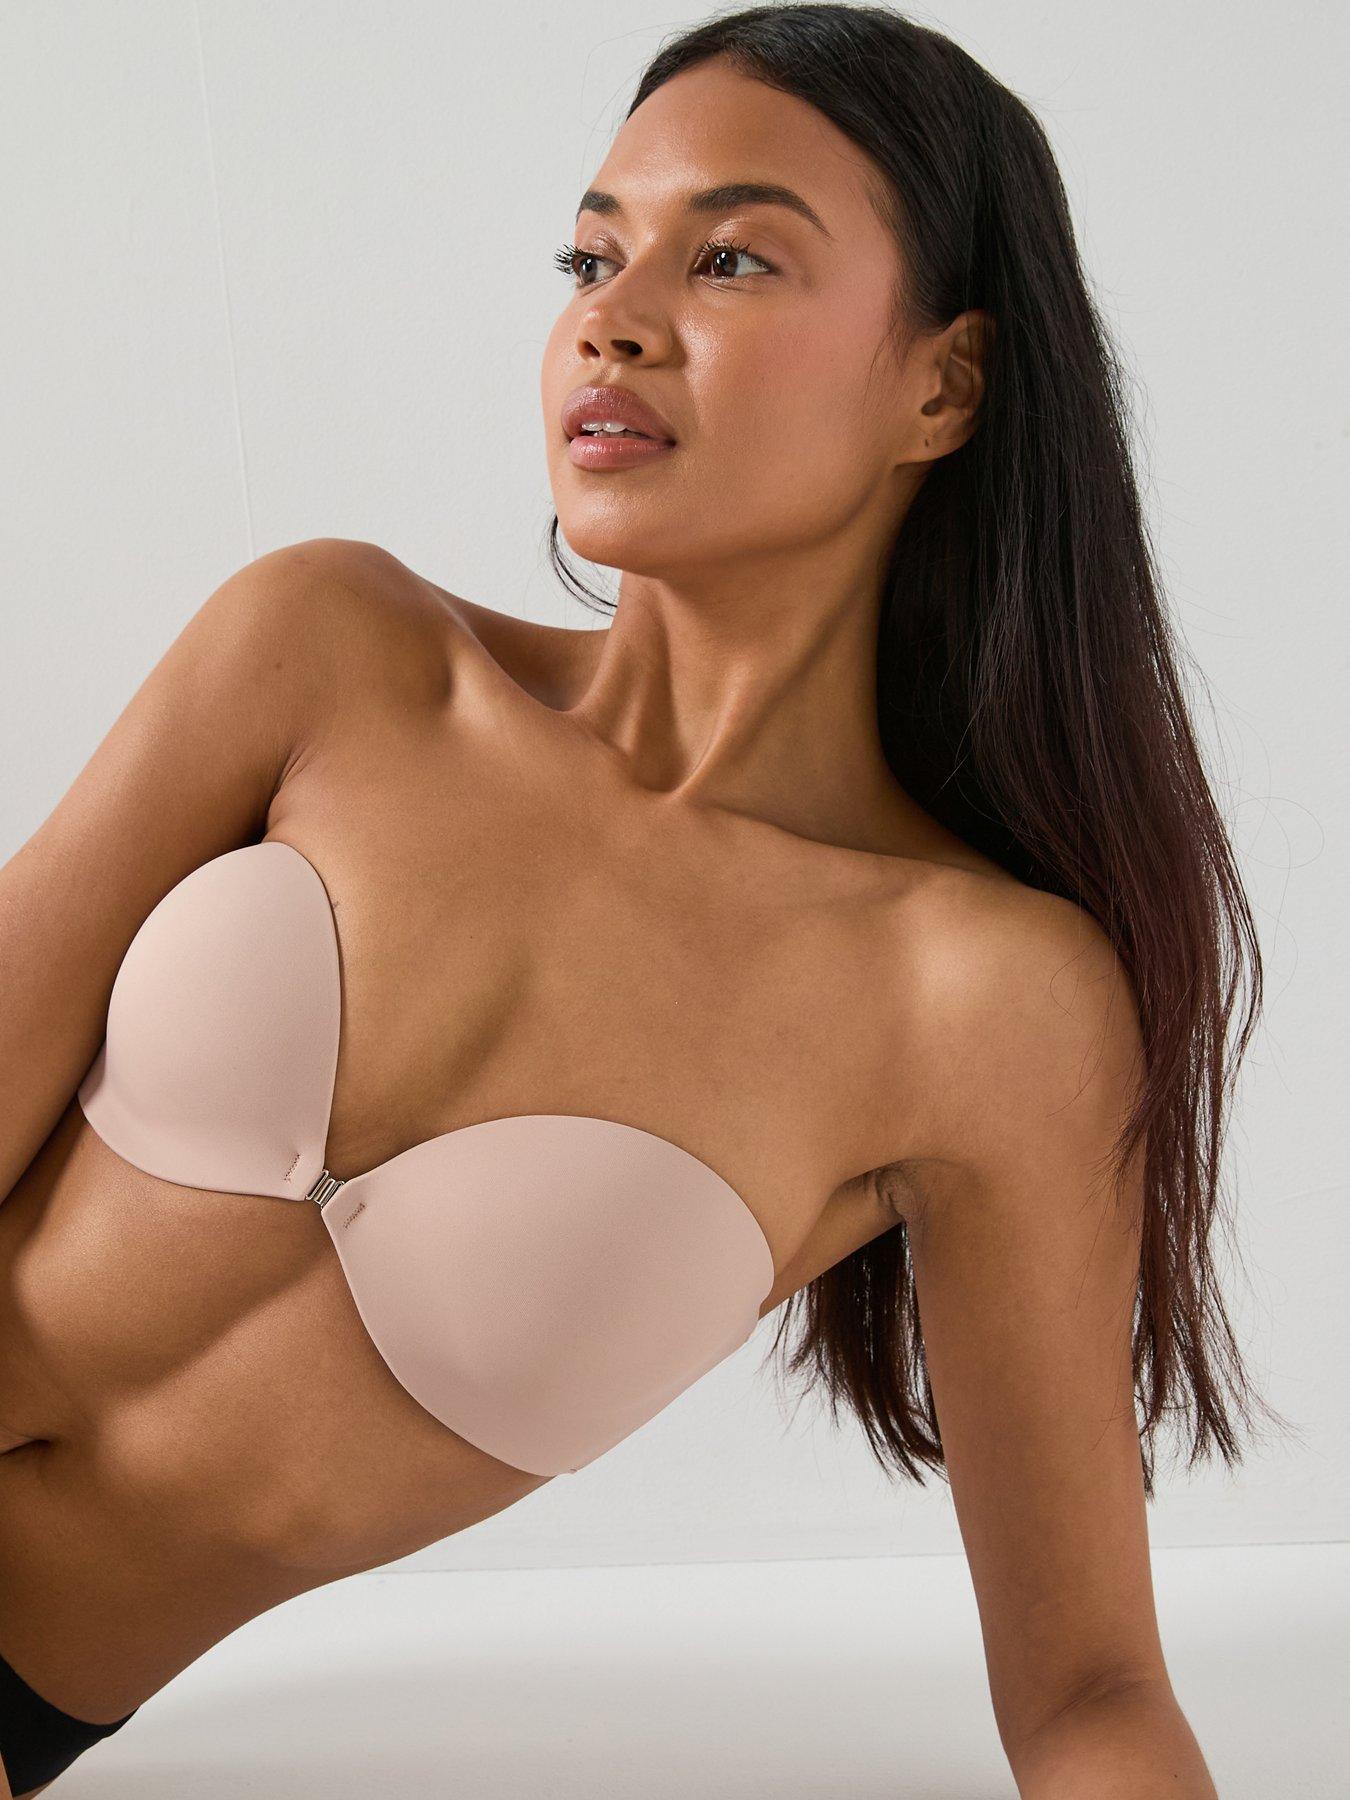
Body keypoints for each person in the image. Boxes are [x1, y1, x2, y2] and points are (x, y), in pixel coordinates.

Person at [0, 6, 1283, 1795]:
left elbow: (1085, 1696)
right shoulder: (331, 651)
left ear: (942, 387)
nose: (612, 317)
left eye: (731, 257)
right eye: (591, 256)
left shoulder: (976, 1003)